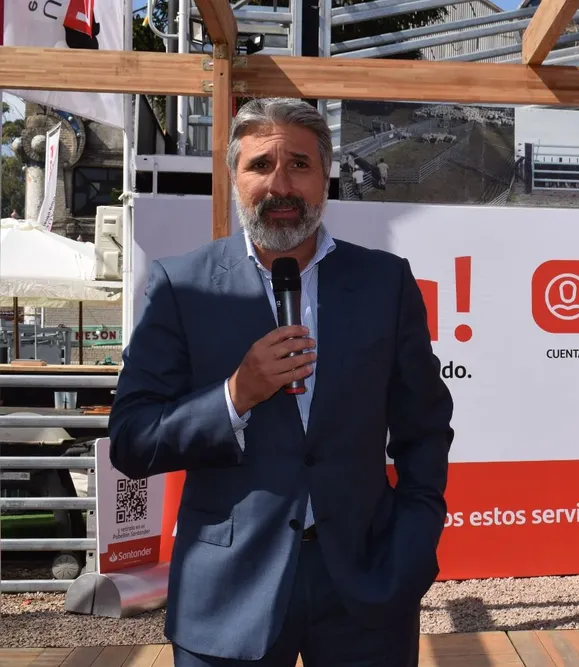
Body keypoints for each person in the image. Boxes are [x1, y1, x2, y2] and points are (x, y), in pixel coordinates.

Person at [108, 97, 454, 666]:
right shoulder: (182, 286)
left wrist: (414, 538)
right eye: (261, 165)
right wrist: (235, 395)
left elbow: (425, 426)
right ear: (235, 178)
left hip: (366, 584)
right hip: (226, 595)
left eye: (299, 164)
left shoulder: (384, 281)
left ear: (325, 177)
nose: (281, 184)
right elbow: (132, 439)